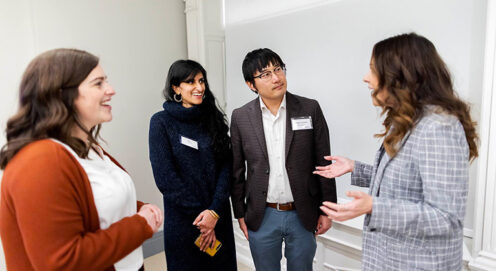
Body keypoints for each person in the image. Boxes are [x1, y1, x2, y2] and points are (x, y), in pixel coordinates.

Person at [314, 33, 478, 271]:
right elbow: (406, 183)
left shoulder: (439, 127)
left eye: (372, 69)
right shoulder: (407, 120)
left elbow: (446, 217)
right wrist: (354, 167)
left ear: (399, 76)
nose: (365, 78)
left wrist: (373, 206)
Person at [0, 48, 163, 271]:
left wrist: (140, 209)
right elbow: (63, 262)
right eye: (98, 83)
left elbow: (92, 205)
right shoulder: (38, 161)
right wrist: (141, 224)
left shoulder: (88, 148)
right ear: (60, 94)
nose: (111, 90)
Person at [230, 48, 337, 271]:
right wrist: (239, 213)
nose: (276, 78)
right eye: (265, 74)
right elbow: (237, 170)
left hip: (303, 212)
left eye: (278, 69)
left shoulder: (309, 108)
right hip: (262, 214)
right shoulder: (241, 117)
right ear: (251, 84)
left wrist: (327, 210)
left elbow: (324, 162)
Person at [148, 59, 237, 271]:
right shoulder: (161, 122)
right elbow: (166, 179)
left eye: (201, 80)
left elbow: (227, 166)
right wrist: (203, 219)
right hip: (184, 223)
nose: (199, 87)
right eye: (190, 82)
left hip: (218, 218)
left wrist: (214, 212)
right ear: (176, 87)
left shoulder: (212, 117)